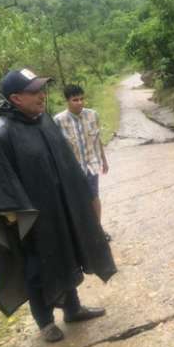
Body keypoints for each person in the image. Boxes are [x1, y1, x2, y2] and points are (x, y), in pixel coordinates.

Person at [0, 69, 117, 343]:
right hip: (32, 221)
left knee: (66, 256)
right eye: (34, 91)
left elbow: (64, 160)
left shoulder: (43, 121)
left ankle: (73, 309)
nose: (42, 95)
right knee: (37, 268)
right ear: (16, 98)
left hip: (60, 210)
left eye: (42, 89)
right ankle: (44, 322)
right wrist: (12, 213)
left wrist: (80, 197)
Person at [53, 84, 111, 241]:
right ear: (67, 101)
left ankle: (98, 230)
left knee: (94, 196)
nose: (79, 102)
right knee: (77, 200)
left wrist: (104, 161)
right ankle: (81, 235)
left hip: (91, 165)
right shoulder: (58, 120)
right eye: (75, 100)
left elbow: (97, 140)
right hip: (72, 169)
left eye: (81, 99)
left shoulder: (93, 115)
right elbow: (57, 148)